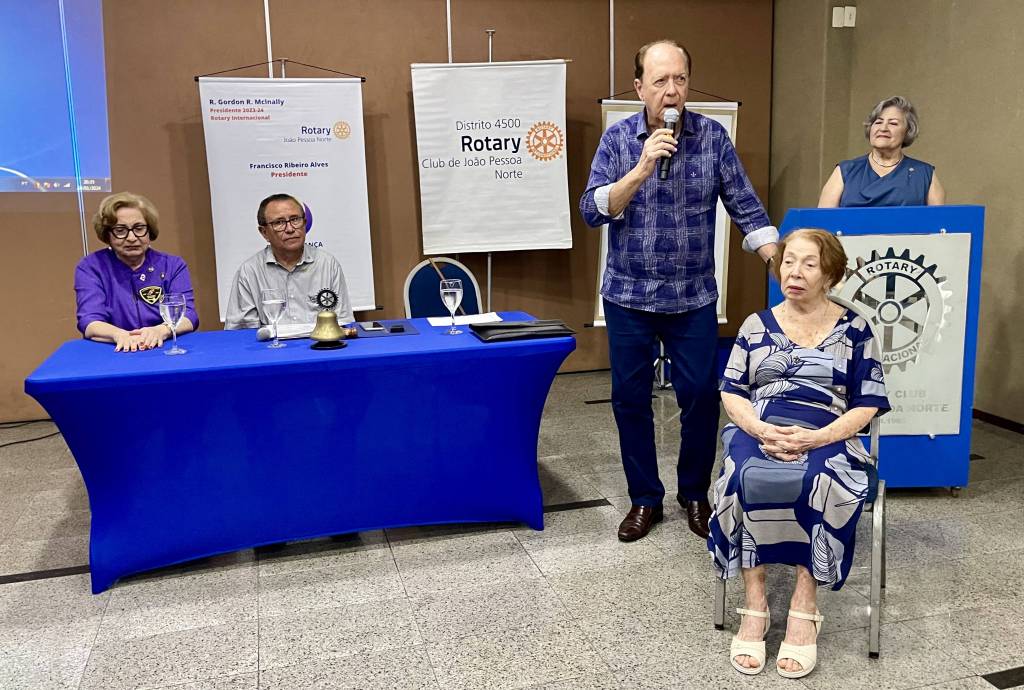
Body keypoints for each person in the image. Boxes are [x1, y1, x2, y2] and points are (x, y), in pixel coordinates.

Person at [580, 39, 778, 543]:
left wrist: (777, 258)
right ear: (639, 87)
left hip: (692, 297)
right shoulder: (618, 139)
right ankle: (644, 499)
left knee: (700, 397)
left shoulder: (712, 137)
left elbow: (745, 204)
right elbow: (592, 210)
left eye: (681, 80)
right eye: (661, 81)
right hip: (628, 296)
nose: (672, 91)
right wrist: (642, 167)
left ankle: (694, 493)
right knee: (630, 400)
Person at [708, 228, 890, 679]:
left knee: (820, 480)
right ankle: (754, 603)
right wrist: (758, 428)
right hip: (761, 425)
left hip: (828, 430)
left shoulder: (855, 329)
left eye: (809, 264)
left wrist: (817, 438)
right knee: (741, 474)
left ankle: (804, 605)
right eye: (789, 261)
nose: (795, 272)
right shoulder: (756, 325)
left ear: (830, 274)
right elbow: (732, 391)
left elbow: (868, 402)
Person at [75, 192, 198, 352]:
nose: (131, 238)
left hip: (163, 346)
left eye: (139, 228)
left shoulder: (173, 265)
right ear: (107, 235)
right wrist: (120, 335)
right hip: (115, 350)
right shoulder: (91, 267)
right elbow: (89, 321)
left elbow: (189, 316)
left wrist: (160, 331)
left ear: (149, 231)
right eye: (120, 230)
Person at [224, 193, 354, 329]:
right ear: (264, 232)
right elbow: (241, 332)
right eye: (279, 223)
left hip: (319, 342)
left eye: (295, 219)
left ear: (305, 223)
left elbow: (343, 323)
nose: (290, 229)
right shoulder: (249, 272)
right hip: (272, 343)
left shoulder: (327, 264)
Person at [818, 95, 945, 207]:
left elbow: (939, 223)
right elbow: (822, 223)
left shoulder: (924, 174)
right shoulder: (845, 171)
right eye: (878, 122)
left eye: (893, 123)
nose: (883, 128)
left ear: (908, 131)